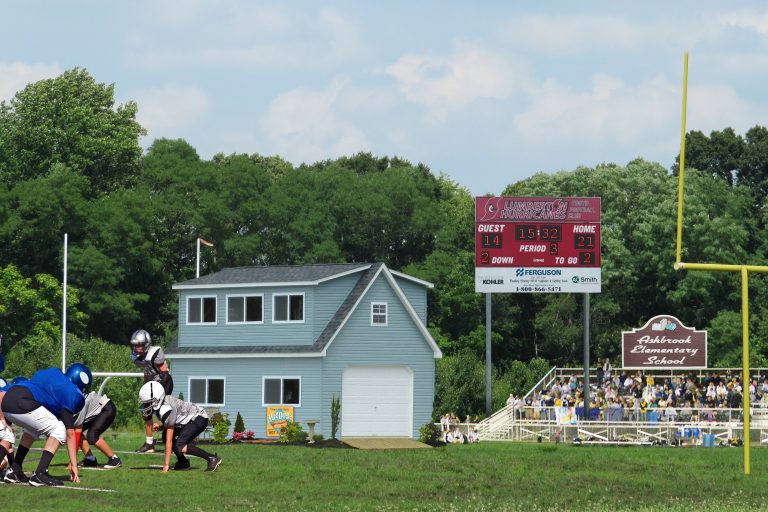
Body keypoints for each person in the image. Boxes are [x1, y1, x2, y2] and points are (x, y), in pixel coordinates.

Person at [0, 363, 91, 486]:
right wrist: (74, 465)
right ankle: (40, 473)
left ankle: (15, 470)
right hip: (23, 401)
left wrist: (2, 418)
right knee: (59, 429)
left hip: (8, 401)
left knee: (33, 428)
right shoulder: (73, 394)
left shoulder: (53, 374)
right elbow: (70, 432)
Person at [138, 381, 222, 472]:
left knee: (179, 445)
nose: (146, 405)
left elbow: (169, 440)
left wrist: (165, 466)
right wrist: (161, 426)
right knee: (165, 437)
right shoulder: (162, 404)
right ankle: (183, 463)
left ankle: (212, 458)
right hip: (191, 419)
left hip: (198, 418)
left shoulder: (165, 409)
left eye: (148, 402)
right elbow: (173, 421)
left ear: (157, 399)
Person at [130, 329, 173, 453]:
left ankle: (171, 439)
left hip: (163, 384)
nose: (137, 348)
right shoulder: (137, 356)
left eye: (140, 345)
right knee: (146, 412)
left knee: (163, 412)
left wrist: (159, 390)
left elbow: (165, 373)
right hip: (151, 386)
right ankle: (149, 444)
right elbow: (144, 367)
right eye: (135, 345)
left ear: (146, 344)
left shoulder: (155, 353)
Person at [74, 390, 121, 469]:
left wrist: (72, 463)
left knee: (92, 436)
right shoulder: (74, 396)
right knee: (77, 431)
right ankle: (90, 459)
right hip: (98, 411)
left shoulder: (79, 400)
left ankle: (114, 459)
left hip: (106, 409)